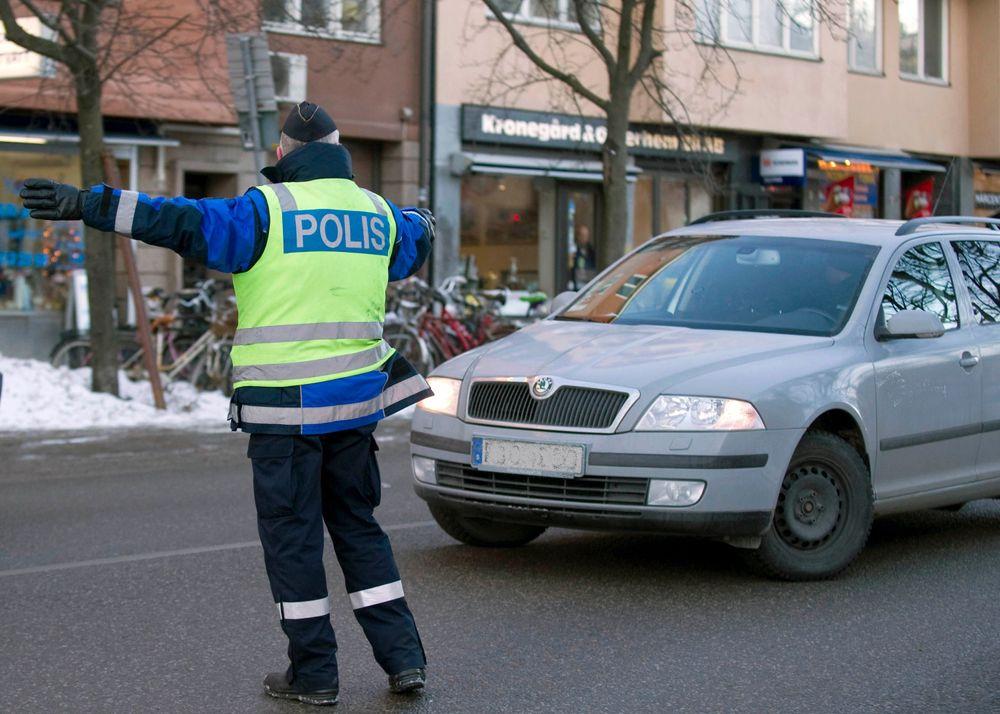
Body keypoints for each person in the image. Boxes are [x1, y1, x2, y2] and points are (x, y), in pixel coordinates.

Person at [21, 101, 434, 707]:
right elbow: (416, 237)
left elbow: (176, 220)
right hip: (354, 408)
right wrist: (423, 216)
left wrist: (88, 204)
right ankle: (404, 661)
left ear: (282, 154)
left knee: (294, 543)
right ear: (339, 151)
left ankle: (315, 675)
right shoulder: (378, 215)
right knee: (359, 530)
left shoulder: (264, 210)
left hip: (285, 412)